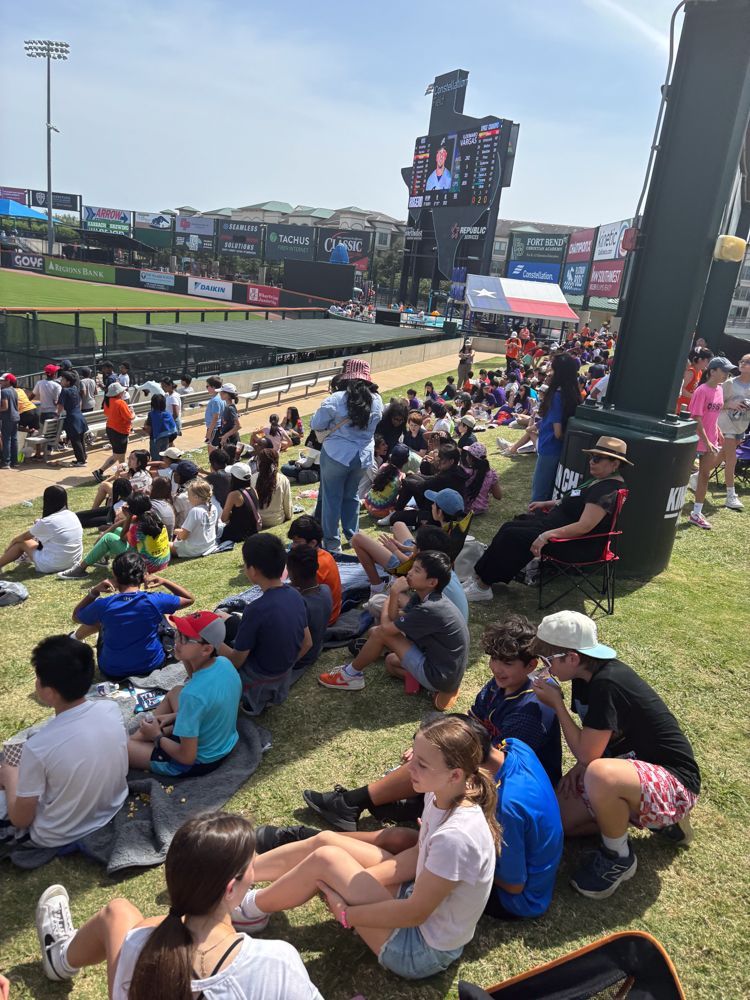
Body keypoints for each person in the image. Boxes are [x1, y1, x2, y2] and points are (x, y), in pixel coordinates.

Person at [232, 716, 498, 981]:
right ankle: (237, 876)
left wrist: (348, 913)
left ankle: (248, 911)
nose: (409, 766)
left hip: (419, 950)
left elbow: (416, 913)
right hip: (414, 901)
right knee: (326, 841)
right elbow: (420, 855)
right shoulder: (442, 792)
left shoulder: (455, 837)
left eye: (422, 764)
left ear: (454, 774)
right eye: (413, 755)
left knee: (327, 859)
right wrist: (361, 880)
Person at [34, 812, 324, 998]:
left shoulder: (137, 945)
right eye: (253, 863)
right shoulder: (275, 961)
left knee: (118, 912)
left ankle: (60, 956)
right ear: (231, 888)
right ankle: (59, 957)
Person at [530, 610, 701, 899]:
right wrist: (579, 769)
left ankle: (618, 856)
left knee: (599, 773)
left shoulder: (607, 684)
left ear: (571, 658)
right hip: (628, 768)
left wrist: (556, 705)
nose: (544, 668)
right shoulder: (584, 678)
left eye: (548, 661)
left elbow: (588, 754)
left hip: (674, 782)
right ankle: (637, 816)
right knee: (555, 823)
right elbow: (596, 741)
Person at [463, 435, 630, 602]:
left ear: (615, 464)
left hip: (574, 543)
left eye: (598, 458)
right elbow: (573, 500)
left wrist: (546, 536)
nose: (591, 461)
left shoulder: (607, 491)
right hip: (556, 526)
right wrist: (548, 503)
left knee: (513, 536)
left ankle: (483, 586)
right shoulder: (600, 480)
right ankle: (479, 577)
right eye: (591, 457)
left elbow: (584, 526)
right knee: (509, 527)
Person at [0, 636, 127, 849]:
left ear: (49, 693)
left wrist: (10, 774)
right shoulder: (111, 709)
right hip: (111, 806)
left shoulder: (39, 747)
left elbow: (21, 819)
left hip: (55, 833)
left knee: (9, 773)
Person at [319, 550, 469, 710]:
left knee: (379, 633)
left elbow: (387, 629)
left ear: (432, 582)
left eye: (416, 571)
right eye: (412, 568)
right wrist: (393, 597)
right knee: (391, 663)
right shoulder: (425, 597)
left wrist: (394, 592)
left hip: (441, 674)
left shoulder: (430, 608)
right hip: (447, 670)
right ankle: (437, 689)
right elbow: (394, 617)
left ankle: (349, 675)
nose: (409, 573)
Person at [128, 612, 241, 776]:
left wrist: (157, 737)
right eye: (178, 633)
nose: (177, 642)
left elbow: (187, 757)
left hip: (200, 761)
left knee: (123, 748)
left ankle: (141, 737)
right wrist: (176, 716)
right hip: (224, 742)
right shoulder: (224, 663)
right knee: (175, 691)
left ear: (206, 649)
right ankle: (144, 735)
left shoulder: (193, 694)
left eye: (186, 639)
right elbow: (210, 705)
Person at [218, 535, 310, 715]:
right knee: (228, 620)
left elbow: (236, 662)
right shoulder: (295, 595)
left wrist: (212, 639)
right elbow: (307, 643)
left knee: (209, 649)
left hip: (256, 682)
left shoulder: (256, 609)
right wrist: (283, 668)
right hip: (282, 676)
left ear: (252, 570)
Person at [71, 552, 193, 679]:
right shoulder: (155, 600)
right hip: (151, 666)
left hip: (112, 671)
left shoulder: (104, 604)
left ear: (114, 575)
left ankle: (74, 637)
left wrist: (94, 591)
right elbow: (189, 599)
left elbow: (76, 616)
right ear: (144, 575)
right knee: (164, 613)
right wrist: (164, 581)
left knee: (100, 620)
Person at [310, 358, 383, 552]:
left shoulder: (336, 399)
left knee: (331, 499)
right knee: (351, 496)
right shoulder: (377, 399)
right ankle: (353, 536)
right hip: (363, 458)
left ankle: (332, 543)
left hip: (336, 455)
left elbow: (316, 424)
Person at [688, 357, 734, 529]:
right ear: (712, 371)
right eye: (723, 371)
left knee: (704, 476)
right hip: (695, 439)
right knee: (678, 475)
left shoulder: (719, 390)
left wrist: (717, 432)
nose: (726, 375)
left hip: (710, 440)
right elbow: (696, 418)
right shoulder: (702, 391)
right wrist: (706, 440)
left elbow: (711, 416)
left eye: (727, 372)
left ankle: (696, 513)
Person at [530, 353, 580, 502]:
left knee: (539, 494)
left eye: (552, 369)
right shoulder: (571, 392)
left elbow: (558, 433)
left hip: (550, 448)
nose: (549, 372)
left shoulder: (557, 396)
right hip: (558, 450)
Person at [0, 485, 82, 574]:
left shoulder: (47, 522)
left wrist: (9, 547)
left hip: (53, 565)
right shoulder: (72, 515)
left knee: (21, 543)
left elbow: (21, 538)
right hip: (73, 562)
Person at [387, 443, 469, 528]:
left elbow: (423, 486)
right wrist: (411, 476)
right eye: (439, 457)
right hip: (445, 512)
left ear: (451, 461)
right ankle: (397, 510)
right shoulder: (457, 471)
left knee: (395, 517)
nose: (438, 460)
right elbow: (432, 479)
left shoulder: (446, 477)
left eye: (441, 458)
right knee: (412, 478)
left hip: (436, 516)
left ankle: (396, 511)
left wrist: (405, 480)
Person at [287, 544, 332, 678]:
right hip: (314, 650)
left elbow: (300, 642)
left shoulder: (300, 604)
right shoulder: (325, 589)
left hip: (299, 658)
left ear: (292, 573)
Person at [288, 515, 342, 624]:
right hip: (331, 611)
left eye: (297, 542)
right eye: (293, 541)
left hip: (324, 619)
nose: (293, 546)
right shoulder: (325, 554)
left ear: (312, 543)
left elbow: (299, 593)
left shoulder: (313, 566)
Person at [719, 353, 750, 510]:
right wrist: (729, 404)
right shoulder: (730, 383)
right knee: (731, 459)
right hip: (726, 424)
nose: (743, 363)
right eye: (742, 361)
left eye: (747, 362)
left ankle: (697, 477)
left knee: (722, 455)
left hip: (741, 426)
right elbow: (716, 403)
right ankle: (731, 496)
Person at [92, 383, 134, 483]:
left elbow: (107, 413)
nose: (123, 392)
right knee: (121, 457)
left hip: (111, 429)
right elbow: (129, 418)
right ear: (118, 392)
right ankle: (123, 475)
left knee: (117, 455)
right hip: (120, 431)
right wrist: (132, 412)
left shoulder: (108, 401)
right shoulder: (120, 403)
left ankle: (101, 471)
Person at [171, 481, 219, 558]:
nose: (188, 498)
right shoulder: (213, 508)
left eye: (188, 495)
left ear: (196, 497)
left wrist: (175, 531)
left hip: (194, 550)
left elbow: (184, 536)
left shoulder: (195, 511)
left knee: (166, 545)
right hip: (209, 545)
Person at [363, 443, 410, 519]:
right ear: (407, 460)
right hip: (382, 511)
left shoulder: (383, 466)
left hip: (368, 504)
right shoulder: (402, 476)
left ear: (391, 456)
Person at [219, 461, 262, 543]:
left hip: (237, 534)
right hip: (252, 530)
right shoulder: (253, 490)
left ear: (234, 478)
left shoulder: (233, 495)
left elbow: (224, 518)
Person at [56, 370, 89, 467]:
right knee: (80, 439)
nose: (61, 381)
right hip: (79, 416)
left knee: (75, 440)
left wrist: (57, 415)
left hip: (72, 418)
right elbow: (79, 402)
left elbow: (60, 406)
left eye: (63, 379)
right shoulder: (75, 388)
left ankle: (81, 461)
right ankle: (83, 458)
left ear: (68, 382)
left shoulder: (64, 390)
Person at [253, 448, 292, 528]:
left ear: (259, 462)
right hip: (276, 520)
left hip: (257, 520)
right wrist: (289, 516)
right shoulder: (283, 479)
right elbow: (287, 504)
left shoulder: (252, 478)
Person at [462, 442, 502, 515]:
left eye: (467, 455)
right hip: (481, 509)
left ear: (470, 458)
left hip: (465, 509)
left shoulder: (465, 472)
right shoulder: (491, 474)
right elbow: (498, 496)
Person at [677, 347, 713, 412]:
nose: (708, 364)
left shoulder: (700, 372)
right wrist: (695, 396)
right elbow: (681, 389)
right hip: (680, 407)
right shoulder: (691, 372)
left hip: (688, 407)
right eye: (707, 361)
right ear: (699, 360)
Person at [144, 393, 177, 460]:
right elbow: (173, 428)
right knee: (164, 457)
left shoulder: (151, 414)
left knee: (155, 458)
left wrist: (144, 428)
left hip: (156, 439)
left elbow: (148, 428)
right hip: (167, 438)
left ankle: (156, 469)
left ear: (152, 404)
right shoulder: (167, 413)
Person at [0, 372, 20, 469]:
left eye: (2, 380)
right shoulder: (14, 391)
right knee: (14, 439)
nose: (1, 382)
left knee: (6, 439)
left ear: (8, 381)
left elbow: (5, 407)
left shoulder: (4, 391)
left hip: (7, 418)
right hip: (15, 417)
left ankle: (6, 463)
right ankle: (15, 462)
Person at [204, 375, 225, 452]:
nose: (206, 388)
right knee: (217, 448)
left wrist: (209, 432)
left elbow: (215, 417)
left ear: (213, 387)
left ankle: (213, 463)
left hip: (214, 428)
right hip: (217, 428)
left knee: (211, 449)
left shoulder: (215, 400)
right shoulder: (220, 397)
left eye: (207, 386)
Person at [218, 383, 241, 450]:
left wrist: (225, 436)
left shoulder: (230, 408)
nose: (220, 393)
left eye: (221, 392)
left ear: (227, 395)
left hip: (231, 440)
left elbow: (238, 426)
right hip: (227, 438)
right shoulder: (227, 406)